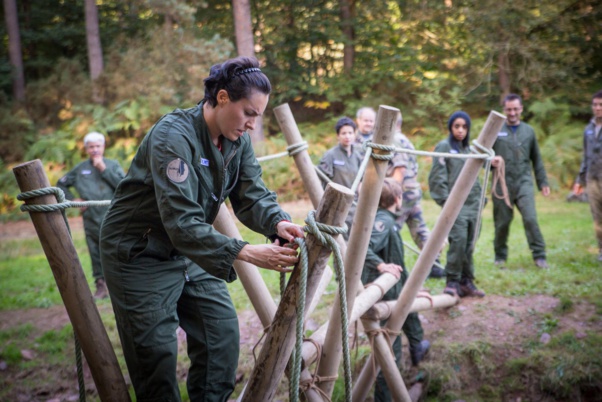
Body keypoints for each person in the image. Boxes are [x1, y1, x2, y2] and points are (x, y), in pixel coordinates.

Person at [99, 56, 305, 401]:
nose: (253, 124)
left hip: (190, 249)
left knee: (221, 336)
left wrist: (278, 222)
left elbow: (252, 193)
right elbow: (181, 220)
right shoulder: (172, 137)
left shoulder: (237, 142)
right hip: (138, 253)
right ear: (222, 98)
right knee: (156, 356)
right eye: (249, 113)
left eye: (259, 115)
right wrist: (248, 252)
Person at [361, 178, 430, 402]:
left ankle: (418, 346)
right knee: (390, 355)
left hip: (393, 292)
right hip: (381, 295)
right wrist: (380, 265)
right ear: (398, 199)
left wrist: (411, 291)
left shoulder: (387, 220)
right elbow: (365, 248)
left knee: (393, 348)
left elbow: (395, 259)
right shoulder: (384, 222)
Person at [56, 131, 125, 299]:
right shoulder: (80, 169)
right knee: (95, 251)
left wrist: (103, 169)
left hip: (113, 217)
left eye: (98, 146)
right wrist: (74, 200)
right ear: (86, 149)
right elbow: (61, 185)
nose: (95, 149)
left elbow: (124, 186)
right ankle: (101, 287)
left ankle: (120, 287)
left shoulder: (113, 165)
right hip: (91, 218)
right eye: (91, 146)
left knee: (116, 251)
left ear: (103, 147)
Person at [429, 111, 486, 298]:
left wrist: (481, 200)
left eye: (464, 127)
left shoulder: (471, 149)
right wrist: (446, 202)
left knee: (470, 242)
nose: (460, 130)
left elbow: (478, 176)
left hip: (473, 205)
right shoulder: (444, 146)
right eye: (457, 126)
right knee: (458, 241)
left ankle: (466, 281)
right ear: (450, 127)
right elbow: (438, 177)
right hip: (456, 205)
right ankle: (452, 280)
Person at [491, 94, 550, 269]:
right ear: (504, 110)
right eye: (509, 109)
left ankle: (539, 256)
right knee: (502, 223)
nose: (512, 112)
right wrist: (491, 161)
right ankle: (500, 256)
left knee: (530, 218)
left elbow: (536, 159)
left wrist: (543, 183)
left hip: (524, 182)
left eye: (516, 109)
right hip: (502, 183)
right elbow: (484, 155)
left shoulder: (528, 131)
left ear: (521, 109)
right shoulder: (496, 130)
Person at [388, 113, 445, 279]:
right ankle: (434, 265)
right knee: (419, 229)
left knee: (389, 229)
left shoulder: (394, 140)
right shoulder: (406, 140)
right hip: (412, 189)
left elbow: (400, 169)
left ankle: (394, 268)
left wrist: (391, 193)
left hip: (401, 192)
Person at [317, 117, 363, 239]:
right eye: (343, 133)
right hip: (337, 206)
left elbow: (361, 180)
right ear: (338, 136)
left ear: (355, 134)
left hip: (354, 205)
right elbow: (320, 181)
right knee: (340, 240)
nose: (347, 136)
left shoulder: (358, 155)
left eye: (350, 133)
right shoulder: (330, 155)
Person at [573, 90, 602, 261]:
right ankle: (601, 249)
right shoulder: (588, 130)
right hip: (592, 179)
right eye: (595, 105)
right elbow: (586, 156)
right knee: (597, 216)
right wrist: (580, 179)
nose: (598, 108)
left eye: (601, 105)